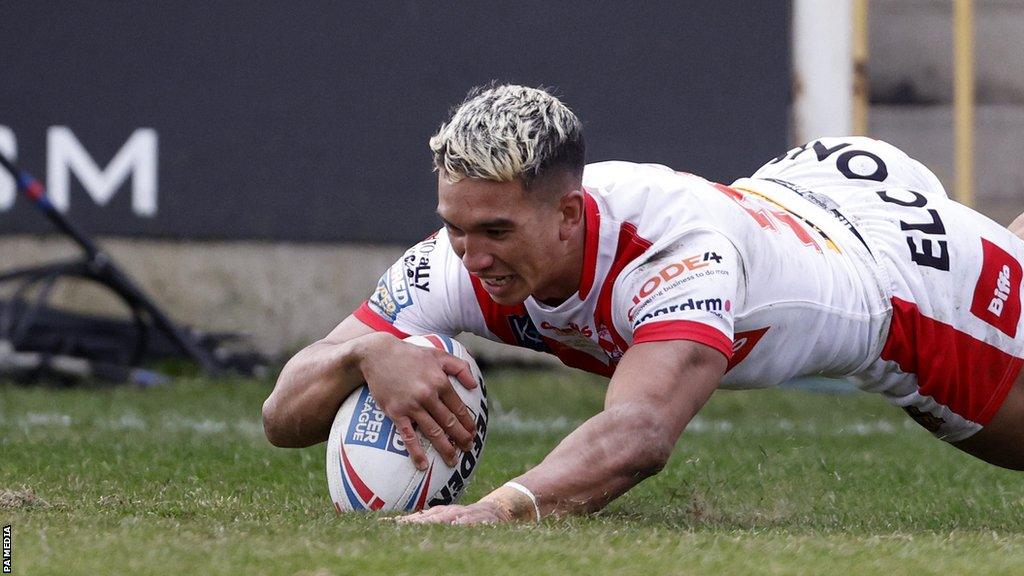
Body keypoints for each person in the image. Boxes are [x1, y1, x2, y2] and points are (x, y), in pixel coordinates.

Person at [262, 84, 1024, 524]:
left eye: (495, 230)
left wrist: (491, 513)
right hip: (803, 195)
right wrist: (363, 352)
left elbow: (640, 435)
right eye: (456, 227)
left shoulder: (671, 252)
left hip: (904, 286)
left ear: (569, 215)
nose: (473, 256)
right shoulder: (455, 262)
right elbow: (280, 414)